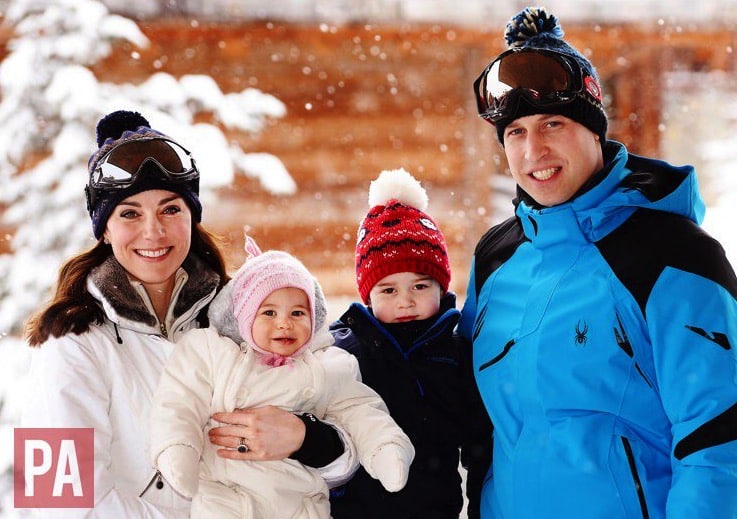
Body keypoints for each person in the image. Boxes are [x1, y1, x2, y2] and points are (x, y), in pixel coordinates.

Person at [459, 6, 737, 518]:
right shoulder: (496, 260)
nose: (533, 149)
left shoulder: (673, 256)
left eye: (553, 124)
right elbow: (469, 419)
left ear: (594, 131)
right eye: (514, 132)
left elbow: (718, 442)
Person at [22, 110, 354, 517]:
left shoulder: (244, 314)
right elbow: (55, 500)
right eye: (129, 213)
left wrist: (309, 439)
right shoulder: (70, 342)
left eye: (170, 209)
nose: (153, 231)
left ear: (192, 217)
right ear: (104, 229)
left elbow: (347, 437)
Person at [150, 237, 415, 518]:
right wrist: (178, 447)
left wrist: (384, 446)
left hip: (299, 504)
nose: (284, 323)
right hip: (227, 499)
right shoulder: (214, 353)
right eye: (269, 312)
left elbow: (362, 411)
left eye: (298, 312)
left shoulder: (328, 365)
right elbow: (179, 401)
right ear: (245, 316)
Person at [329, 168, 493, 519]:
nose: (405, 301)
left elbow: (480, 447)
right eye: (388, 290)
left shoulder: (455, 354)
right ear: (368, 296)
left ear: (441, 287)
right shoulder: (342, 352)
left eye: (420, 286)